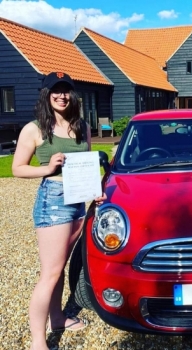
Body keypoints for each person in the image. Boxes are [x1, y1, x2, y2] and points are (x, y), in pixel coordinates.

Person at [12, 72, 106, 350]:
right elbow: (18, 168)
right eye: (56, 90)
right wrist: (48, 168)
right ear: (46, 94)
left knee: (59, 267)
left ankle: (57, 318)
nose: (62, 96)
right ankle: (38, 342)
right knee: (50, 273)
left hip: (78, 201)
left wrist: (95, 193)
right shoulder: (35, 128)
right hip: (53, 200)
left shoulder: (82, 127)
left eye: (66, 91)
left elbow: (87, 166)